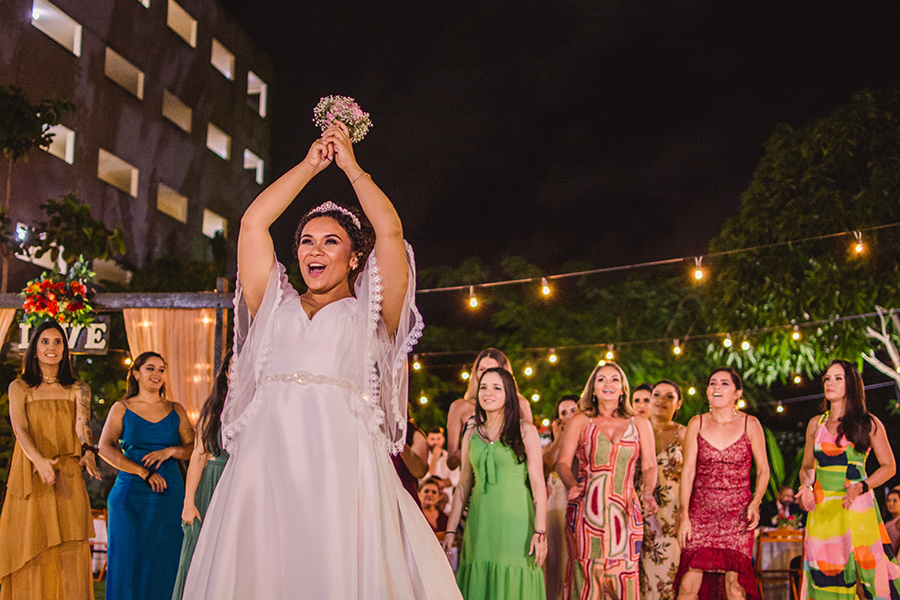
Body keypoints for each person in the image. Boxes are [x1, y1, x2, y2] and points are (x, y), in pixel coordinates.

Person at [183, 122, 460, 599]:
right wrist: (310, 166)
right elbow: (252, 225)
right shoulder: (273, 305)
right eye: (306, 240)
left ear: (354, 258)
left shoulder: (370, 313)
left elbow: (390, 232)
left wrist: (350, 167)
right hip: (267, 462)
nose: (315, 249)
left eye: (331, 241)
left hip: (341, 465)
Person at [0, 320, 100, 600]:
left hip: (66, 473)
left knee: (69, 546)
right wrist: (39, 461)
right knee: (31, 544)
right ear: (34, 348)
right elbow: (20, 429)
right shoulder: (20, 387)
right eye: (45, 341)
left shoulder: (78, 388)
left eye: (58, 342)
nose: (51, 347)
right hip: (31, 473)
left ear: (65, 349)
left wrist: (88, 450)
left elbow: (82, 424)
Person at [796, 359, 900, 599]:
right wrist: (806, 486)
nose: (830, 383)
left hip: (856, 506)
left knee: (868, 576)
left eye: (838, 378)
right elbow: (807, 467)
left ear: (851, 384)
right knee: (824, 575)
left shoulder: (868, 422)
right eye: (827, 378)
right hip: (822, 511)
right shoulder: (816, 424)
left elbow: (889, 467)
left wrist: (862, 486)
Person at [442, 367, 547, 599]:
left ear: (508, 394)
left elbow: (538, 483)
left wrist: (540, 531)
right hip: (480, 523)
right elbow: (463, 485)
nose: (488, 393)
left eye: (496, 388)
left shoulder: (525, 431)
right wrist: (450, 529)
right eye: (483, 387)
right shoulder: (471, 433)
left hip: (518, 523)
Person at [556, 362, 658, 600]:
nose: (608, 384)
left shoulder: (639, 423)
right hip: (587, 511)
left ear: (623, 388)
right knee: (586, 579)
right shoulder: (581, 421)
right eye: (601, 379)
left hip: (626, 510)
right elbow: (562, 462)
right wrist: (572, 484)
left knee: (625, 578)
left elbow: (650, 465)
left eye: (614, 379)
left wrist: (648, 492)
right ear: (593, 388)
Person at [98, 351, 195, 600]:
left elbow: (193, 448)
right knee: (127, 560)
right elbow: (105, 448)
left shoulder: (175, 410)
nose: (157, 374)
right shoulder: (122, 408)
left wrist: (170, 451)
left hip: (169, 494)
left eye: (161, 369)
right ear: (136, 373)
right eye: (150, 368)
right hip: (130, 493)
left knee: (165, 558)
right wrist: (143, 471)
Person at [674, 367, 769, 600]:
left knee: (734, 586)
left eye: (724, 383)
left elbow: (763, 470)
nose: (717, 387)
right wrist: (684, 515)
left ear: (738, 393)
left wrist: (756, 502)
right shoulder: (696, 423)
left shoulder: (750, 424)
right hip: (701, 512)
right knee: (688, 585)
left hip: (738, 514)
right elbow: (688, 472)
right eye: (713, 383)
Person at [171, 351, 233, 600]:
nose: (236, 372)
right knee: (198, 551)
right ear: (225, 373)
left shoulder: (258, 407)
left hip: (240, 485)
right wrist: (189, 501)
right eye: (232, 367)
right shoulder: (214, 409)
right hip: (211, 482)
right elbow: (198, 455)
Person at [446, 348, 533, 470]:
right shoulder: (459, 407)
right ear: (475, 372)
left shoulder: (520, 404)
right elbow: (451, 463)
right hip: (473, 476)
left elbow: (530, 452)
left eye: (492, 369)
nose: (485, 374)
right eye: (482, 369)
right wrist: (470, 447)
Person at [641, 380, 686, 600]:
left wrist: (685, 514)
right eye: (657, 395)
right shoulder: (635, 431)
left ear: (678, 403)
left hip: (671, 516)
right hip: (637, 511)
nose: (662, 401)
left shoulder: (684, 434)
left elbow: (692, 476)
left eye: (670, 397)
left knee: (666, 578)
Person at [541, 394, 580, 600]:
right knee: (555, 564)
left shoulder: (588, 443)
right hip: (555, 512)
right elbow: (545, 467)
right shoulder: (550, 447)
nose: (568, 416)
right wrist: (558, 441)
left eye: (573, 411)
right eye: (563, 413)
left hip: (578, 509)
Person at [423, 426, 459, 513]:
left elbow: (455, 479)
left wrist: (440, 484)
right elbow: (426, 479)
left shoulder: (450, 458)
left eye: (438, 439)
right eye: (432, 439)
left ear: (443, 439)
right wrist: (434, 459)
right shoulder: (424, 458)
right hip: (426, 499)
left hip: (446, 503)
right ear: (427, 440)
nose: (436, 442)